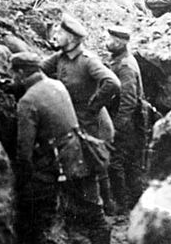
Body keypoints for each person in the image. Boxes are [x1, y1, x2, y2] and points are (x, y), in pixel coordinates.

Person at [12, 52, 112, 244]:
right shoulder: (55, 84)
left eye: (13, 73)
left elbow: (24, 151)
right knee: (93, 208)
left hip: (65, 162)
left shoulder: (27, 102)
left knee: (35, 201)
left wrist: (21, 178)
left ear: (19, 73)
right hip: (80, 151)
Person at [41, 13, 121, 214]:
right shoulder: (60, 57)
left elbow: (112, 83)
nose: (56, 35)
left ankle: (104, 208)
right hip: (74, 118)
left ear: (73, 39)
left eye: (60, 33)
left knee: (93, 163)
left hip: (91, 121)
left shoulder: (87, 61)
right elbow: (38, 70)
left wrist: (93, 106)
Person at [104, 26, 146, 214]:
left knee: (117, 162)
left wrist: (117, 127)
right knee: (130, 163)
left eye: (111, 40)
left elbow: (128, 101)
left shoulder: (126, 66)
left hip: (127, 121)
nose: (107, 42)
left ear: (120, 44)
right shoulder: (120, 60)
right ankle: (136, 203)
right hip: (129, 120)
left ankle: (122, 206)